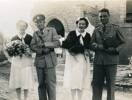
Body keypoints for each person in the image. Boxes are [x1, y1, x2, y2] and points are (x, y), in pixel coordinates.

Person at [91, 8, 125, 100]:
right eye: (100, 16)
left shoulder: (116, 28)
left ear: (109, 16)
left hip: (111, 61)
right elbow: (91, 43)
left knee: (110, 86)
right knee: (96, 85)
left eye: (104, 16)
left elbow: (123, 42)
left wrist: (115, 49)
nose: (102, 18)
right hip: (98, 62)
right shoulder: (96, 29)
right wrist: (96, 46)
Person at [60, 17, 91, 100]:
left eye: (83, 24)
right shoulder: (72, 34)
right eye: (80, 24)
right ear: (77, 24)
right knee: (73, 80)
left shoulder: (87, 36)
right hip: (72, 60)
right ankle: (73, 98)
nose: (81, 25)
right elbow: (65, 45)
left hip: (83, 60)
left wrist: (87, 51)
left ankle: (80, 98)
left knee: (81, 79)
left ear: (86, 25)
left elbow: (88, 47)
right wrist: (71, 52)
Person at [30, 14, 60, 100]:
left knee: (51, 85)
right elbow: (32, 45)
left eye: (40, 22)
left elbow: (57, 43)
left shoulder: (52, 30)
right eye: (37, 23)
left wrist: (45, 44)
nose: (39, 24)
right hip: (39, 61)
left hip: (50, 61)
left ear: (44, 22)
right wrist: (41, 50)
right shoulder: (35, 34)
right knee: (41, 84)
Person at [6, 20, 33, 100]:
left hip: (26, 61)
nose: (22, 28)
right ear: (17, 27)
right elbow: (10, 51)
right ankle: (19, 98)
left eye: (24, 26)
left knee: (26, 80)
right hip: (17, 62)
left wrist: (29, 52)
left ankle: (25, 98)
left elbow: (33, 49)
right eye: (20, 26)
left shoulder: (29, 37)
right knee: (17, 80)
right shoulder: (14, 38)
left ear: (26, 27)